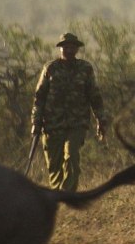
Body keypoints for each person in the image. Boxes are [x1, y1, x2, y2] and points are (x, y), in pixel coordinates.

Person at [30, 31, 107, 192]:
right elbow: (39, 98)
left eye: (72, 47)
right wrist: (36, 122)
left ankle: (68, 193)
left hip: (77, 123)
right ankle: (57, 195)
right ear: (61, 49)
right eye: (66, 47)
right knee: (54, 166)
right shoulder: (50, 68)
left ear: (77, 49)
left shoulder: (85, 69)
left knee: (71, 156)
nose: (69, 50)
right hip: (52, 125)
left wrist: (101, 119)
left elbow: (94, 96)